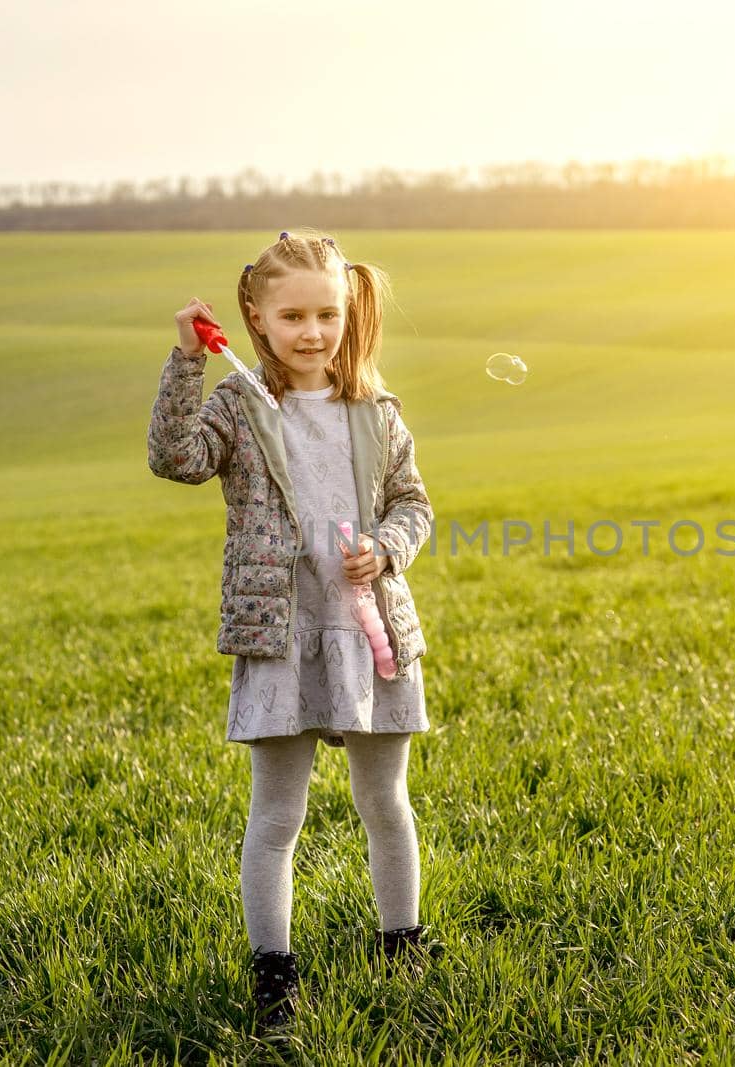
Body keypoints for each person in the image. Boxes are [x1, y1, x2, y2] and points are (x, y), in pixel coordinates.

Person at [146, 229, 442, 1032]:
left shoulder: (376, 413)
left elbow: (414, 506)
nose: (312, 332)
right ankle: (274, 974)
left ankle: (402, 944)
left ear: (348, 313)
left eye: (327, 314)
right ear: (256, 316)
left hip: (368, 628)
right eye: (293, 316)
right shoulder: (240, 409)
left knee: (386, 798)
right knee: (276, 815)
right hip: (282, 632)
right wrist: (187, 361)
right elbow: (174, 457)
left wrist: (384, 549)